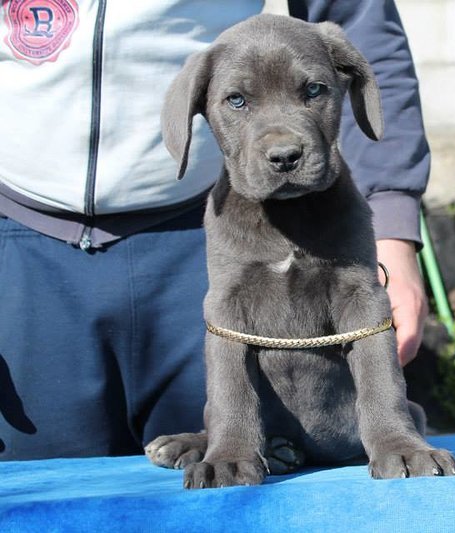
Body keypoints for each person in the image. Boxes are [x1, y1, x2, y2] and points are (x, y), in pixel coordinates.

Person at [0, 0, 430, 460]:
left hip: (190, 243)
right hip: (25, 242)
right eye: (239, 100)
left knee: (238, 471)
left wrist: (394, 227)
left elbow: (358, 17)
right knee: (47, 493)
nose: (283, 144)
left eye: (310, 92)